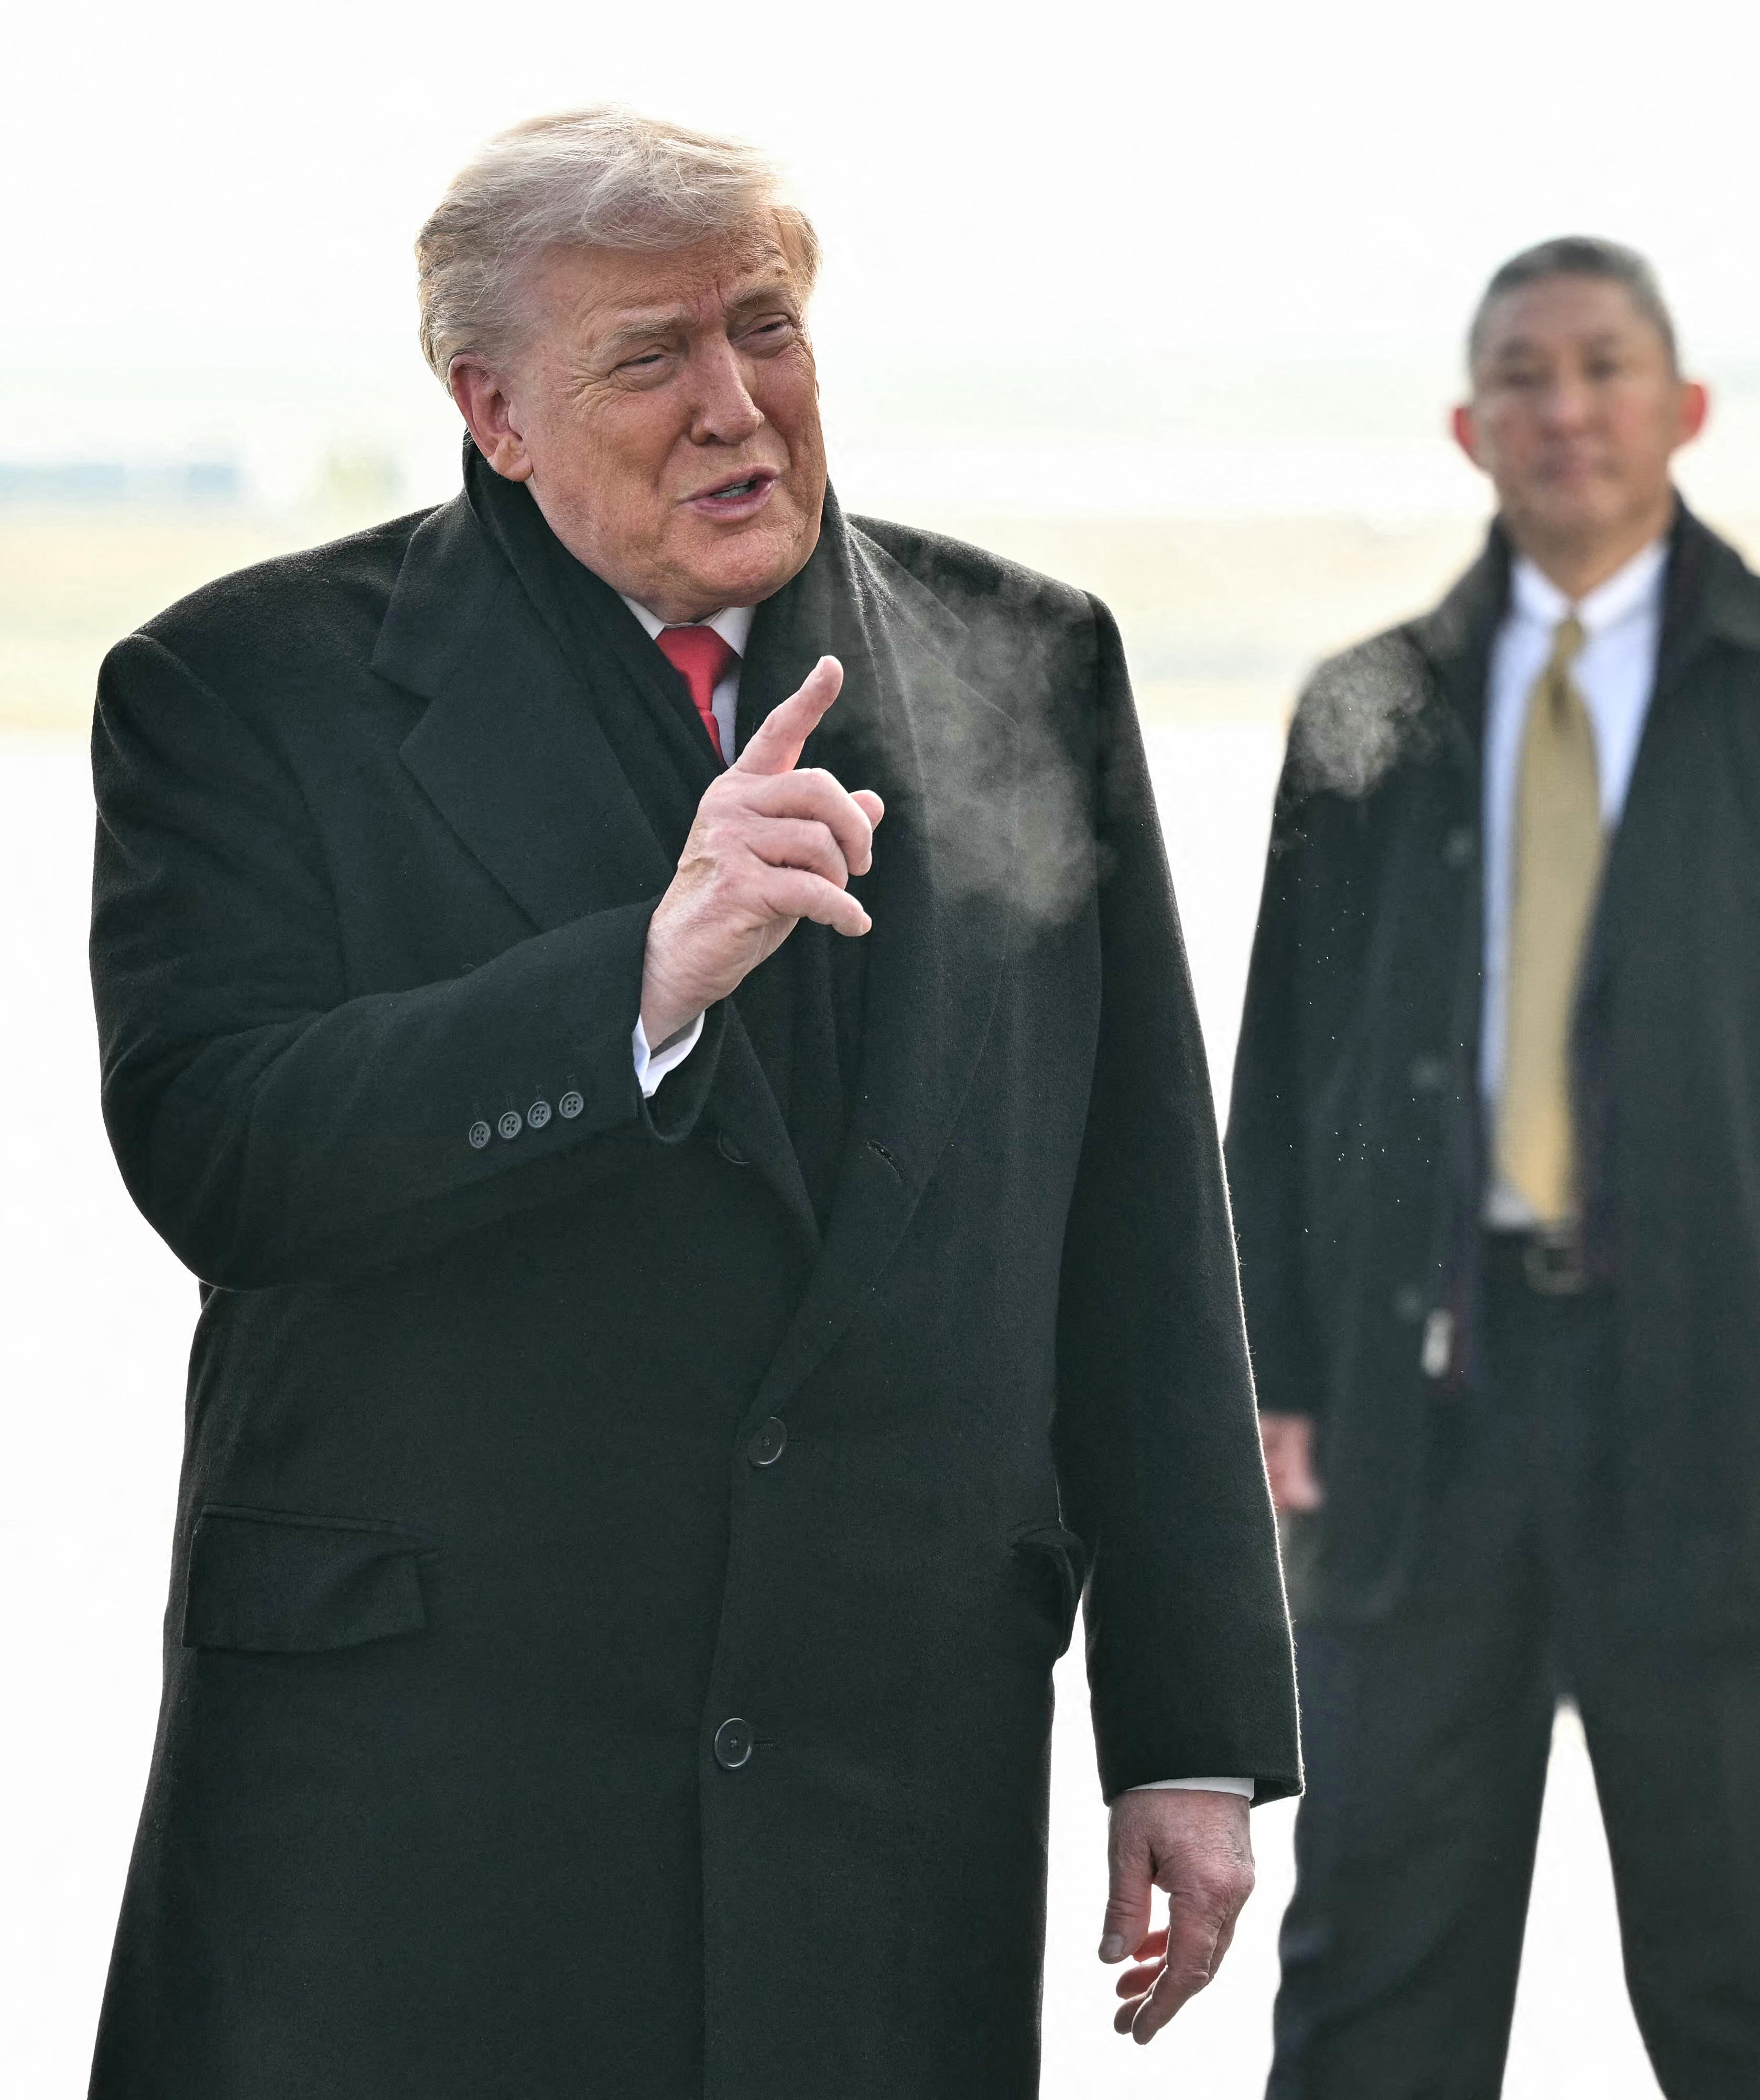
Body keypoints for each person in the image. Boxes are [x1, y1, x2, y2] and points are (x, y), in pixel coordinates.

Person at [79, 108, 1298, 2097]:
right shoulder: (238, 686)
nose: (734, 405)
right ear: (493, 410)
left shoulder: (1029, 660)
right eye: (648, 356)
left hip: (885, 1776)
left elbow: (1137, 1216)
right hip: (421, 1801)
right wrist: (633, 990)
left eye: (765, 327)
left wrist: (1189, 1733)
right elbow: (219, 1154)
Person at [1223, 237, 1760, 2099]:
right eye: (1522, 376)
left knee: (1733, 1979)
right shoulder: (1363, 705)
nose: (1564, 408)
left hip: (1726, 1397)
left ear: (1682, 406)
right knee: (1370, 1962)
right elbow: (1284, 1061)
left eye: (1603, 367)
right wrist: (1276, 1365)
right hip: (1420, 1404)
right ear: (1466, 426)